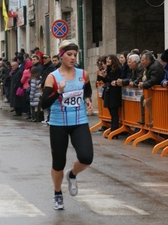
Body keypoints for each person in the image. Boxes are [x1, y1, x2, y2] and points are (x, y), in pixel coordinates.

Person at [40, 40, 93, 210]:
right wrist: (58, 92)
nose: (72, 58)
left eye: (75, 55)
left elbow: (87, 90)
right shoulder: (52, 77)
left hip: (79, 121)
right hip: (58, 123)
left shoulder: (83, 74)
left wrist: (88, 100)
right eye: (69, 54)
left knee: (86, 157)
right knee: (58, 162)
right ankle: (57, 193)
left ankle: (72, 174)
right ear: (61, 55)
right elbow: (43, 104)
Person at [137, 51, 166, 127]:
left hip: (160, 92)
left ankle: (155, 120)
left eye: (142, 60)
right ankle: (146, 119)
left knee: (148, 102)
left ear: (148, 60)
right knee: (144, 99)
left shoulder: (155, 67)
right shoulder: (149, 66)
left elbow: (154, 80)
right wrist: (143, 83)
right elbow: (149, 79)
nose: (141, 62)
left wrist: (144, 84)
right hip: (153, 90)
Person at [101, 54, 122, 137]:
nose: (108, 61)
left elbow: (113, 80)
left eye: (109, 59)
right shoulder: (108, 69)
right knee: (111, 113)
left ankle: (114, 131)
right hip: (109, 92)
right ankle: (113, 130)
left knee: (114, 113)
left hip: (114, 93)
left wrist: (106, 77)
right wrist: (103, 76)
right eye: (107, 60)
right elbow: (107, 80)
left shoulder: (117, 69)